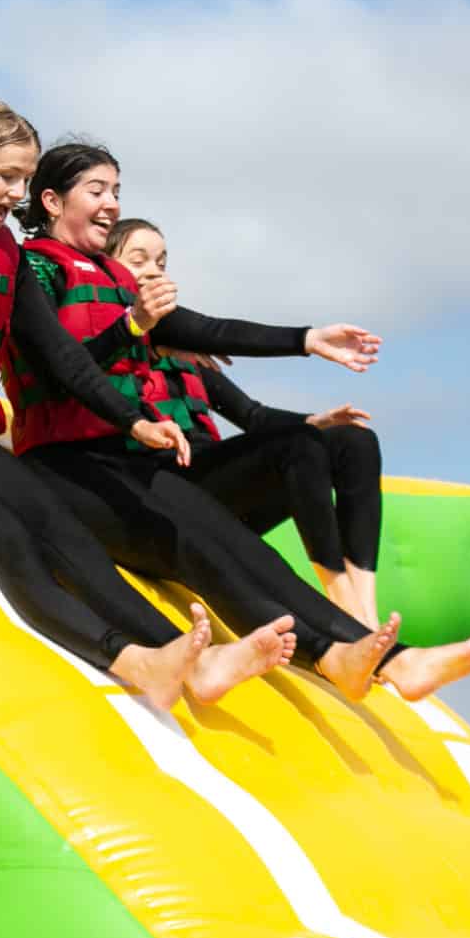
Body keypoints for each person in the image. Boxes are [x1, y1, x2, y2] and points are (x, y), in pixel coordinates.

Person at [0, 103, 295, 710]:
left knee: (63, 531)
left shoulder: (8, 255)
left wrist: (135, 420)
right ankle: (132, 661)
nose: (18, 194)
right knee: (8, 540)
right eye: (8, 177)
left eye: (25, 179)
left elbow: (66, 360)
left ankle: (196, 663)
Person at [13, 141, 470, 702]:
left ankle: (385, 659)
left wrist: (306, 340)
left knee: (242, 546)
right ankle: (364, 655)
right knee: (206, 543)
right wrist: (132, 326)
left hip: (131, 462)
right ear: (51, 200)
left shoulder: (116, 281)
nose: (111, 204)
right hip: (66, 470)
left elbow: (208, 331)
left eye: (117, 192)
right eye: (96, 191)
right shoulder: (33, 274)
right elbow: (57, 373)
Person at [109, 217, 384, 629]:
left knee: (353, 441)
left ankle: (363, 608)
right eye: (139, 259)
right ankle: (340, 608)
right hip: (165, 491)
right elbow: (219, 330)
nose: (153, 270)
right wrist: (308, 339)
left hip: (218, 485)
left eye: (161, 262)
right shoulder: (111, 343)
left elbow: (252, 416)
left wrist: (314, 421)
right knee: (297, 445)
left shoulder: (187, 355)